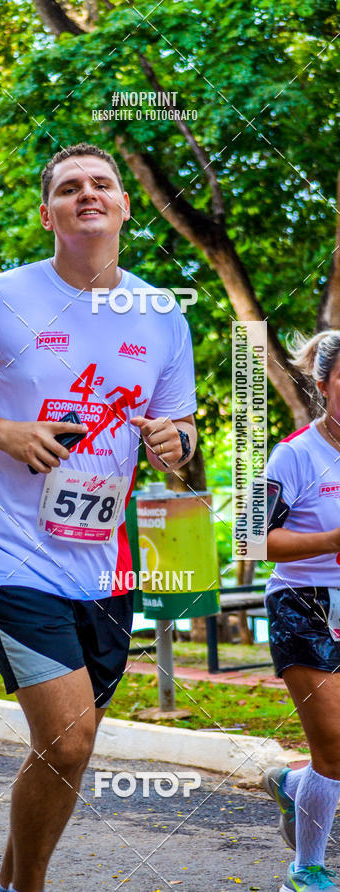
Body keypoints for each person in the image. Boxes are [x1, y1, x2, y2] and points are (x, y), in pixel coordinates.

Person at [0, 142, 197, 892]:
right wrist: (7, 433)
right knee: (67, 738)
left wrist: (177, 441)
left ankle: (10, 883)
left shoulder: (162, 313)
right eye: (70, 188)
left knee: (73, 743)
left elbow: (180, 426)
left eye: (102, 184)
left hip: (104, 559)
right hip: (9, 550)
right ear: (47, 214)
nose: (87, 193)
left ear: (125, 206)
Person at [261, 330, 340, 891]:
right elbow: (255, 540)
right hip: (302, 604)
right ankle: (306, 869)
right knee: (335, 748)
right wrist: (333, 539)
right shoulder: (294, 454)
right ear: (323, 385)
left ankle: (293, 784)